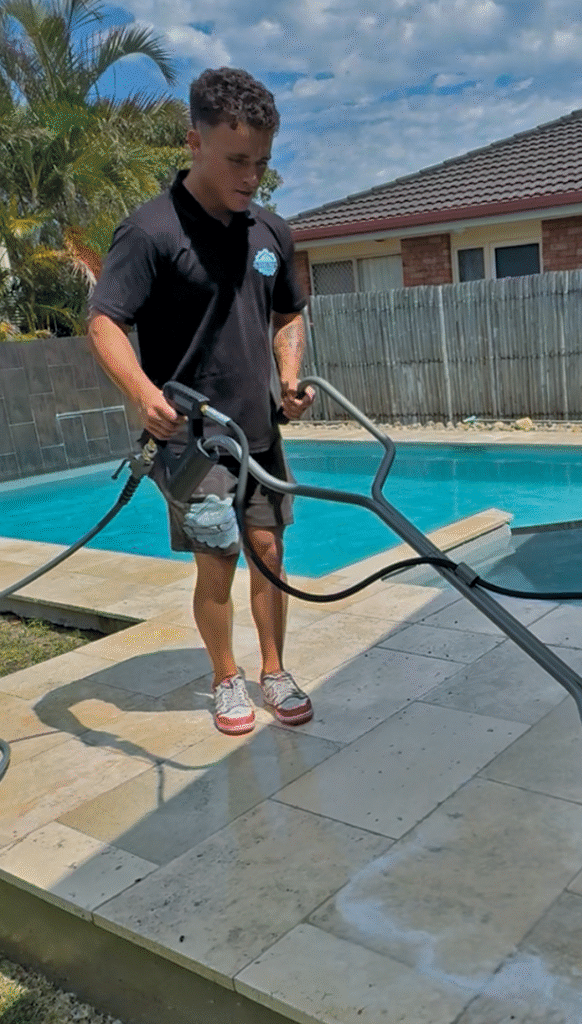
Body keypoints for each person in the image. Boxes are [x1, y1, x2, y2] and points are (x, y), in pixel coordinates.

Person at [88, 67, 316, 736]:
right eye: (238, 160)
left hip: (259, 434)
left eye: (262, 162)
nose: (252, 176)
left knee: (269, 552)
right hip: (193, 441)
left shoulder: (271, 232)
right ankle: (225, 677)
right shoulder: (151, 231)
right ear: (195, 142)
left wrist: (290, 378)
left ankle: (274, 669)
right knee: (217, 560)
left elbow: (287, 314)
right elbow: (104, 321)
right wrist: (142, 393)